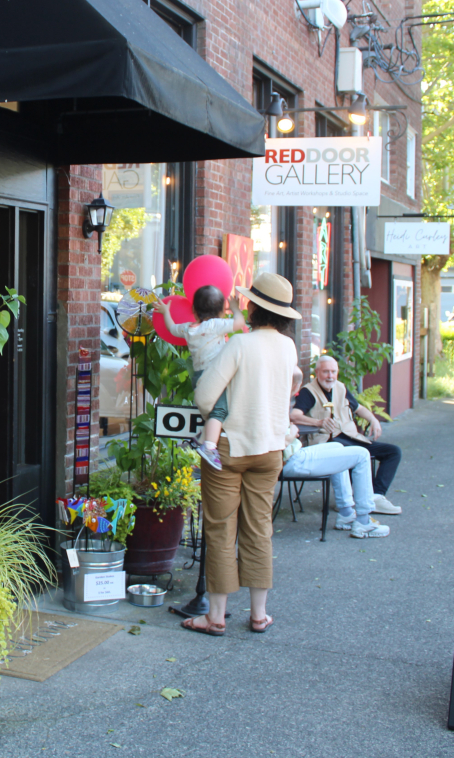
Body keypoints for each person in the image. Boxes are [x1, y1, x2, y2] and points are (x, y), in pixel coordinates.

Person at [182, 272, 299, 637]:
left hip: (230, 447)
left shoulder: (240, 345)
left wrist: (219, 413)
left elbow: (204, 396)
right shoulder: (288, 347)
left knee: (220, 527)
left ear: (253, 307)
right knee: (259, 527)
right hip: (271, 449)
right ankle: (259, 614)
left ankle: (215, 616)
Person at [283, 368, 389, 538]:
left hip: (294, 455)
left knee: (338, 449)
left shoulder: (274, 402)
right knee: (362, 454)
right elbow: (278, 441)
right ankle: (363, 521)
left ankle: (346, 514)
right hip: (289, 460)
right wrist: (291, 432)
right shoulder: (279, 403)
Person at [290, 355, 402, 515]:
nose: (330, 376)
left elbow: (358, 408)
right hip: (329, 442)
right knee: (352, 455)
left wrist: (373, 419)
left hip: (352, 437)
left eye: (333, 372)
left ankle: (376, 496)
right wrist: (318, 422)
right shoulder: (309, 392)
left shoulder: (340, 388)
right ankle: (351, 500)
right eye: (326, 372)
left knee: (393, 452)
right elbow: (294, 415)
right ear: (317, 372)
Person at [155, 285, 247, 471]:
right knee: (219, 412)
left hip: (199, 376)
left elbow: (171, 328)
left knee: (211, 411)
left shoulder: (189, 329)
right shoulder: (216, 326)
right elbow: (239, 323)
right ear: (221, 311)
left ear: (194, 311)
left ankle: (200, 437)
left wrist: (166, 311)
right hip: (216, 376)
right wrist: (235, 308)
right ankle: (210, 447)